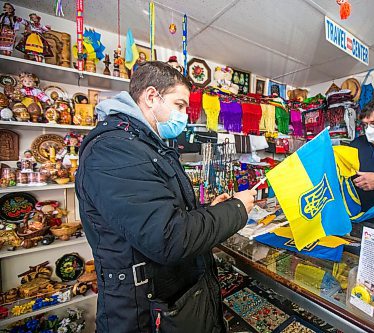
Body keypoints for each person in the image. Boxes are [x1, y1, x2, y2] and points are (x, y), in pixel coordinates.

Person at [75, 61, 256, 333]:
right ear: (151, 97)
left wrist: (210, 208)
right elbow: (169, 237)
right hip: (142, 314)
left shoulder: (144, 147)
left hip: (169, 300)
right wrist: (237, 209)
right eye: (180, 105)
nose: (184, 115)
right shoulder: (114, 151)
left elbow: (164, 212)